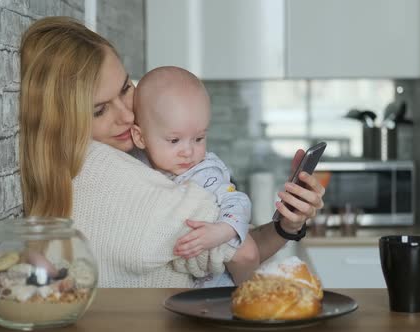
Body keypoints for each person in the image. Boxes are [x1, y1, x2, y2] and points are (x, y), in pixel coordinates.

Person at [18, 16, 325, 288]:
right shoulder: (109, 174)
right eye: (99, 110)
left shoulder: (78, 169)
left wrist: (288, 225)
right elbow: (243, 253)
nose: (126, 115)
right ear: (64, 119)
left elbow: (228, 247)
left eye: (126, 88)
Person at [130, 66, 258, 287]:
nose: (188, 151)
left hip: (217, 283)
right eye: (174, 141)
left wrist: (221, 231)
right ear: (140, 137)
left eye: (198, 139)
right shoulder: (134, 166)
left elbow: (239, 201)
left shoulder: (205, 172)